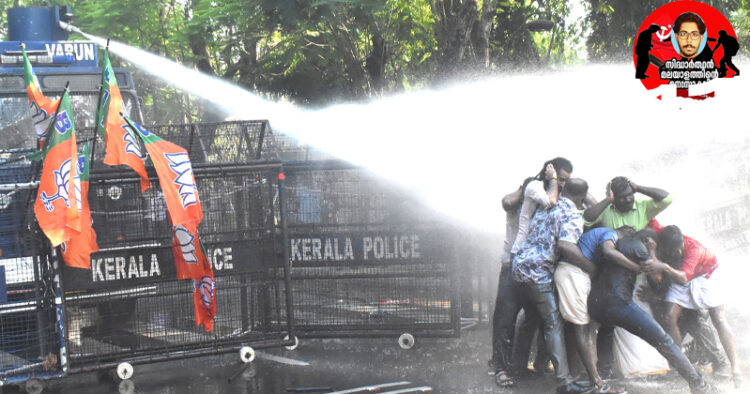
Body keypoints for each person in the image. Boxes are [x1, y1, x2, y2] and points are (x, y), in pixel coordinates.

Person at [588, 229, 717, 394]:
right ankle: (698, 384)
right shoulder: (639, 247)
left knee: (606, 329)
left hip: (595, 304)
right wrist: (652, 251)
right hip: (619, 303)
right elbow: (657, 279)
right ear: (648, 240)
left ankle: (603, 379)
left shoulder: (613, 245)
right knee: (664, 340)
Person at [583, 176, 673, 377]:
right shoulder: (605, 210)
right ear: (614, 197)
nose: (628, 200)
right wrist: (608, 200)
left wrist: (639, 187)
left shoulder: (642, 205)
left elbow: (667, 198)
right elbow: (586, 218)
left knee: (639, 319)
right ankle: (605, 370)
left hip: (636, 274)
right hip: (612, 275)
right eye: (622, 198)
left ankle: (644, 365)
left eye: (630, 196)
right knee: (608, 325)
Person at [511, 178, 593, 394]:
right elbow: (566, 246)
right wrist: (591, 268)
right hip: (539, 273)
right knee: (553, 324)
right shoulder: (573, 215)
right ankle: (564, 382)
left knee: (530, 318)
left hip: (519, 268)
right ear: (583, 197)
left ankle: (517, 369)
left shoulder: (548, 204)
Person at [644, 222, 743, 388]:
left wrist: (664, 266)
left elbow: (682, 276)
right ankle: (680, 364)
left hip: (706, 274)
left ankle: (734, 368)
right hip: (681, 278)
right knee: (669, 316)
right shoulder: (661, 233)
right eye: (674, 251)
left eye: (680, 249)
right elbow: (652, 214)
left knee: (717, 318)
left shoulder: (693, 250)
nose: (679, 252)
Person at [555, 225, 636, 394]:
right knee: (581, 328)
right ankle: (598, 383)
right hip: (573, 274)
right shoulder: (611, 234)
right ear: (626, 238)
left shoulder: (600, 235)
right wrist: (636, 267)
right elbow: (609, 251)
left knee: (574, 327)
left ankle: (577, 378)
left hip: (572, 273)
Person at [490, 177, 547, 386]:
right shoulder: (515, 204)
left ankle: (519, 366)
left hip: (533, 272)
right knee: (506, 320)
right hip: (511, 268)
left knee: (532, 319)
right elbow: (506, 202)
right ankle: (501, 369)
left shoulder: (542, 205)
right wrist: (523, 189)